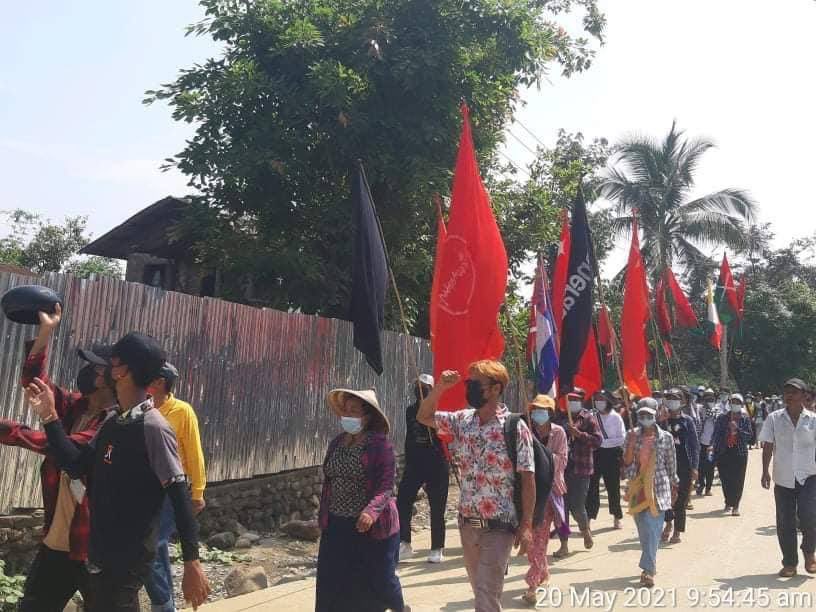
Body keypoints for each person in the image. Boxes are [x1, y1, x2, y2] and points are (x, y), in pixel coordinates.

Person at [26, 332, 210, 611]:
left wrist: (191, 563)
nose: (103, 371)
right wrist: (50, 419)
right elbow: (76, 464)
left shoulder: (153, 429)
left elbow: (179, 496)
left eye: (111, 363)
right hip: (100, 555)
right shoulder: (113, 421)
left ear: (124, 371)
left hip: (126, 564)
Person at [0, 306, 116, 611]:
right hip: (57, 541)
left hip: (93, 548)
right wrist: (46, 332)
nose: (88, 372)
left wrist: (15, 427)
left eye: (95, 367)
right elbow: (32, 380)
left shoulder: (113, 423)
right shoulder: (78, 407)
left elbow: (65, 450)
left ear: (107, 377)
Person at [416, 361, 535, 612]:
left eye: (475, 384)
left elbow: (528, 479)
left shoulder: (514, 427)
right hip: (468, 523)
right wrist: (439, 389)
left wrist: (526, 526)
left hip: (500, 524)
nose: (468, 388)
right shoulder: (462, 420)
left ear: (495, 388)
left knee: (485, 593)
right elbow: (423, 416)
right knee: (481, 589)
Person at [316, 387, 405, 612]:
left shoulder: (379, 445)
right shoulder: (337, 443)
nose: (348, 415)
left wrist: (370, 512)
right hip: (337, 523)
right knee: (332, 580)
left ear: (368, 416)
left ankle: (400, 608)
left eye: (354, 411)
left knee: (380, 579)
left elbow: (386, 486)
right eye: (346, 410)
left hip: (369, 526)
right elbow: (329, 478)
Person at [144, 362, 208, 612]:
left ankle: (162, 605)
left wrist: (198, 493)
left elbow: (194, 453)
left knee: (149, 548)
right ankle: (165, 604)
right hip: (147, 491)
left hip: (173, 491)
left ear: (160, 382)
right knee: (156, 549)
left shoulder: (182, 411)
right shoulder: (144, 408)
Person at [759, 378, 816, 577]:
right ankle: (790, 562)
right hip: (783, 478)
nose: (789, 395)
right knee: (785, 522)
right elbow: (767, 445)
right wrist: (765, 471)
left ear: (804, 396)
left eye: (794, 392)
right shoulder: (774, 418)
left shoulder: (813, 419)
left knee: (810, 517)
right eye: (787, 392)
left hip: (809, 477)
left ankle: (809, 553)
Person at [623, 399, 678, 588]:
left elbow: (671, 463)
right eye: (642, 415)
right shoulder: (631, 435)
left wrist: (674, 484)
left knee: (653, 528)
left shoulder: (666, 438)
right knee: (644, 530)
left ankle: (648, 570)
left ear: (655, 416)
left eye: (649, 415)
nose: (645, 418)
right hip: (638, 489)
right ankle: (650, 562)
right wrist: (630, 444)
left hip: (659, 488)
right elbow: (627, 463)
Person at [396, 374, 449, 564]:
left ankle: (437, 547)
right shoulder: (411, 410)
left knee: (437, 506)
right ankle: (404, 542)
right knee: (403, 500)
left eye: (425, 387)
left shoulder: (440, 411)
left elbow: (445, 436)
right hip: (415, 462)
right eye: (417, 386)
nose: (420, 389)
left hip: (436, 461)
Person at [523, 395, 568, 605]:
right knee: (531, 538)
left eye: (542, 410)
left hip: (549, 492)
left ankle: (532, 584)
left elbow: (561, 459)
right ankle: (542, 572)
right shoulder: (525, 431)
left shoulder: (558, 432)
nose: (537, 413)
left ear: (550, 413)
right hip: (527, 491)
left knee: (539, 538)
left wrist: (540, 456)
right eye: (535, 410)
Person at [553, 389, 602, 557]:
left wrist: (579, 434)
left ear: (581, 401)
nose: (571, 402)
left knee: (577, 506)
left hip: (582, 470)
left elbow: (597, 441)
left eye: (575, 399)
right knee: (562, 509)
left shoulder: (589, 418)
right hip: (562, 470)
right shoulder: (560, 419)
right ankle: (564, 543)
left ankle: (584, 528)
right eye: (569, 399)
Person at [661, 389, 699, 544]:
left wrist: (695, 467)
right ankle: (668, 523)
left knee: (681, 499)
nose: (672, 401)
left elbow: (694, 445)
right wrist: (661, 421)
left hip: (683, 464)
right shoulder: (661, 421)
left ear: (682, 403)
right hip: (664, 465)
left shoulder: (687, 421)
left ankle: (677, 530)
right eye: (669, 399)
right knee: (665, 497)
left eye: (675, 399)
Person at [586, 390, 625, 531]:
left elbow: (621, 438)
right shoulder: (591, 416)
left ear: (608, 401)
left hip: (611, 455)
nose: (599, 402)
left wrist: (602, 442)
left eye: (601, 399)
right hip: (595, 454)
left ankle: (616, 516)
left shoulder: (616, 418)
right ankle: (588, 518)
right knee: (592, 488)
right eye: (596, 399)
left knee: (613, 487)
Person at [712, 393, 753, 516]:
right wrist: (713, 446)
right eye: (732, 402)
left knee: (738, 479)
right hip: (724, 451)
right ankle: (728, 501)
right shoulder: (722, 418)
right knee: (725, 478)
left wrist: (737, 431)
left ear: (741, 405)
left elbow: (750, 437)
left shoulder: (745, 418)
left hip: (739, 452)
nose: (734, 404)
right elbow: (716, 434)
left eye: (737, 402)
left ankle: (736, 505)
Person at [696, 389, 719, 497]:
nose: (709, 400)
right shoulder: (699, 410)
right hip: (701, 442)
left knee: (710, 466)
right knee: (700, 466)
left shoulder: (717, 410)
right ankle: (701, 484)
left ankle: (708, 488)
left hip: (712, 444)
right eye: (707, 398)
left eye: (711, 398)